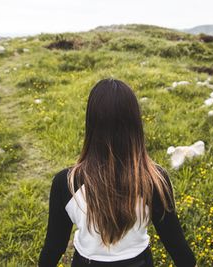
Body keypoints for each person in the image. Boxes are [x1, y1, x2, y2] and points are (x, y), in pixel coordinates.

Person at [38, 78, 196, 267]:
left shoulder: (66, 182)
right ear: (136, 124)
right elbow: (176, 245)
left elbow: (54, 247)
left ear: (91, 123)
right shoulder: (155, 180)